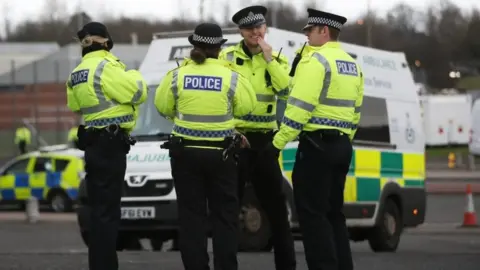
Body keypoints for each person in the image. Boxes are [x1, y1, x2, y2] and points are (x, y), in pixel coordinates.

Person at [154, 23, 257, 270]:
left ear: (194, 46)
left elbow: (162, 106)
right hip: (221, 155)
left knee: (192, 219)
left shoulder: (178, 75)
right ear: (219, 48)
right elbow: (248, 106)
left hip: (185, 154)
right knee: (225, 219)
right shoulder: (231, 76)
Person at [269, 8, 364, 270]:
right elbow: (356, 112)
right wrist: (344, 139)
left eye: (310, 31)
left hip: (316, 146)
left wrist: (277, 143)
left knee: (312, 215)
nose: (307, 36)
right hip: (342, 145)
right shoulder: (352, 64)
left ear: (324, 31)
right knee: (335, 214)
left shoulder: (317, 61)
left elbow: (299, 108)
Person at [219, 5, 296, 270]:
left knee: (276, 209)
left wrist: (269, 60)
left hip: (264, 141)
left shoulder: (277, 59)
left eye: (259, 27)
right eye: (250, 28)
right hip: (236, 139)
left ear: (266, 29)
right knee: (229, 209)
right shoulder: (226, 57)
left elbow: (286, 89)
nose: (255, 32)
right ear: (241, 31)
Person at [65, 22, 147, 270]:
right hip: (110, 144)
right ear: (106, 42)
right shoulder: (106, 67)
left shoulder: (76, 73)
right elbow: (137, 93)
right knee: (108, 212)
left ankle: (99, 264)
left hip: (93, 143)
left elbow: (74, 106)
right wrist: (133, 74)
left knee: (100, 210)